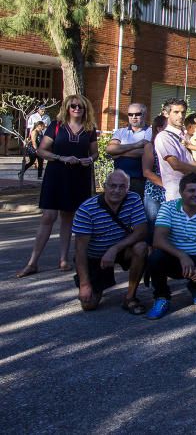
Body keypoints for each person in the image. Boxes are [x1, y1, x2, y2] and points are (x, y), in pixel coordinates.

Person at [17, 94, 99, 277]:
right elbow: (42, 150)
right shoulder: (56, 126)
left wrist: (89, 159)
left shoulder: (89, 128)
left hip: (78, 175)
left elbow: (95, 154)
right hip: (57, 174)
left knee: (68, 217)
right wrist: (61, 158)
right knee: (48, 216)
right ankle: (33, 262)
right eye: (73, 106)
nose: (77, 109)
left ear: (85, 109)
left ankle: (63, 259)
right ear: (67, 108)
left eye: (80, 106)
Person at [146, 173, 196, 319]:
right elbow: (158, 240)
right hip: (176, 259)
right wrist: (182, 255)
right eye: (191, 191)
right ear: (182, 192)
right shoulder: (167, 208)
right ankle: (162, 297)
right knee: (155, 258)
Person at [71, 170, 149, 314]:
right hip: (94, 256)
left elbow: (141, 231)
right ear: (105, 186)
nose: (117, 190)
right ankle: (94, 284)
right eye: (113, 186)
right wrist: (84, 284)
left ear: (127, 188)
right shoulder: (87, 209)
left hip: (120, 250)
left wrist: (114, 249)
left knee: (141, 247)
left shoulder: (133, 199)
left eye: (122, 187)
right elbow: (80, 251)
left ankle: (130, 297)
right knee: (89, 305)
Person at [154, 98, 196, 202]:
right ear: (166, 114)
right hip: (178, 195)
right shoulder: (163, 137)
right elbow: (176, 165)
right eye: (176, 112)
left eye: (183, 112)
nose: (181, 116)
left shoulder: (187, 134)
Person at [105, 103, 151, 196]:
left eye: (137, 114)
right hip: (119, 180)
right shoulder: (121, 132)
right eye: (130, 114)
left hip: (139, 180)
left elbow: (144, 152)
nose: (134, 117)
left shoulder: (150, 131)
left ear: (144, 115)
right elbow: (110, 149)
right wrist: (137, 145)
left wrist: (119, 153)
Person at [143, 116, 168, 225]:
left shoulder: (175, 146)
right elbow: (147, 172)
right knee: (153, 225)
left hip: (172, 191)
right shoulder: (150, 146)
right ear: (159, 128)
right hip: (154, 191)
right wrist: (166, 185)